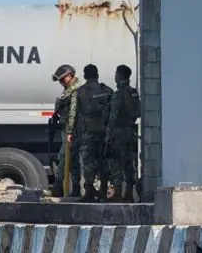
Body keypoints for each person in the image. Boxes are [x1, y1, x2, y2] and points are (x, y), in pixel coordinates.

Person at [75, 63, 113, 202]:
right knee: (103, 161)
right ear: (97, 74)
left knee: (88, 162)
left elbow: (76, 113)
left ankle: (89, 191)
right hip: (104, 132)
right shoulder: (107, 90)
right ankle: (103, 191)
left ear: (85, 76)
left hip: (88, 133)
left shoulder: (81, 92)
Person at [106, 64, 142, 202]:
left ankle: (117, 193)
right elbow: (139, 111)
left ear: (120, 75)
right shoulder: (133, 92)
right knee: (129, 162)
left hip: (118, 132)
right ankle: (128, 193)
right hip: (130, 130)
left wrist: (109, 133)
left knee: (116, 162)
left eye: (116, 73)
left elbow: (113, 116)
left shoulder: (118, 94)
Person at [50, 64, 81, 197]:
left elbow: (73, 112)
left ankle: (60, 189)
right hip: (68, 130)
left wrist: (70, 132)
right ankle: (73, 190)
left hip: (73, 131)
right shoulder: (68, 91)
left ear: (71, 76)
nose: (62, 82)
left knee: (66, 159)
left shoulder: (75, 91)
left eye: (63, 79)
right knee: (71, 161)